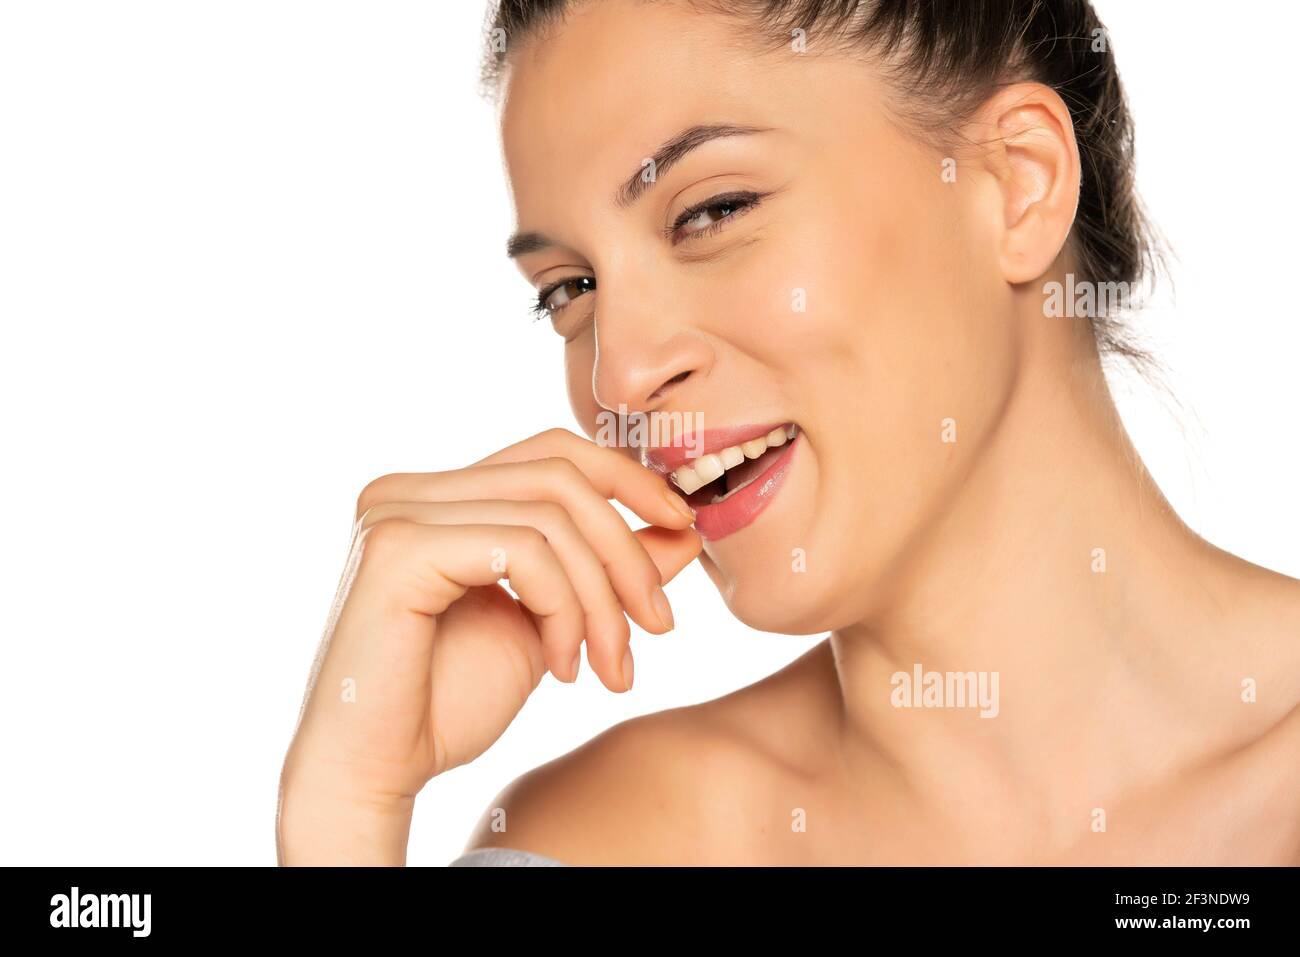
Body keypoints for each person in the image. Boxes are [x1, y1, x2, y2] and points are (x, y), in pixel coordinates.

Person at [277, 0, 1300, 866]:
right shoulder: (600, 846)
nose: (619, 375)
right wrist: (347, 810)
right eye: (571, 289)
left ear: (1014, 183)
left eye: (712, 211)